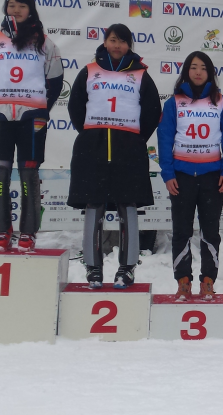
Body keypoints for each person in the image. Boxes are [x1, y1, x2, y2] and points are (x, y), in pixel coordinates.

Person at [67, 24, 161, 289]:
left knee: (127, 205)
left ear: (130, 45)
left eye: (123, 41)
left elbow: (153, 110)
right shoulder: (89, 71)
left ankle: (127, 267)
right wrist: (89, 134)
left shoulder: (141, 75)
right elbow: (75, 106)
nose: (118, 45)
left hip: (127, 150)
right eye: (113, 40)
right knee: (93, 206)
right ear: (105, 42)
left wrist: (134, 138)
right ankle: (93, 267)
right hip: (92, 148)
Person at [0, 0, 63, 251]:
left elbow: (56, 80)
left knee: (29, 171)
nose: (15, 10)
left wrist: (40, 108)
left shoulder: (45, 43)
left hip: (32, 118)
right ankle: (1, 230)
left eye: (21, 6)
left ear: (31, 10)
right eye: (11, 5)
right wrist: (0, 102)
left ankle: (28, 232)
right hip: (0, 117)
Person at [158, 51, 223, 302]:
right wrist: (168, 173)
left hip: (212, 176)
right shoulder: (174, 102)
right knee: (181, 230)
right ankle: (183, 281)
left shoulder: (221, 102)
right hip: (181, 176)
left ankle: (208, 281)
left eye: (203, 67)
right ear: (186, 72)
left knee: (210, 231)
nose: (199, 72)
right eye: (194, 67)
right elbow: (165, 138)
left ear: (210, 72)